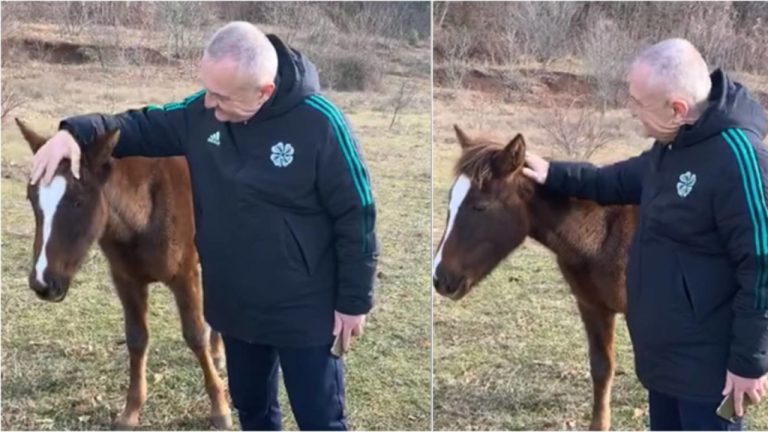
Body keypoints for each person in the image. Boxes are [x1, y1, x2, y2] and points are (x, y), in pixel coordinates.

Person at [29, 21, 378, 431]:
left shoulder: (320, 124)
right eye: (206, 89)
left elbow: (358, 213)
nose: (207, 103)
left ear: (262, 92)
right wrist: (73, 132)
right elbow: (140, 125)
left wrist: (354, 301)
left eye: (220, 95)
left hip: (304, 309)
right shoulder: (203, 113)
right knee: (254, 412)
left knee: (320, 419)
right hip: (234, 305)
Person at [523, 38, 768, 431]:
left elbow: (762, 266)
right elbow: (615, 180)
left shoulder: (739, 160)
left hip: (709, 377)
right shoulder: (672, 145)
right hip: (663, 362)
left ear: (678, 109)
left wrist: (749, 363)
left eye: (639, 105)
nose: (633, 114)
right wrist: (553, 173)